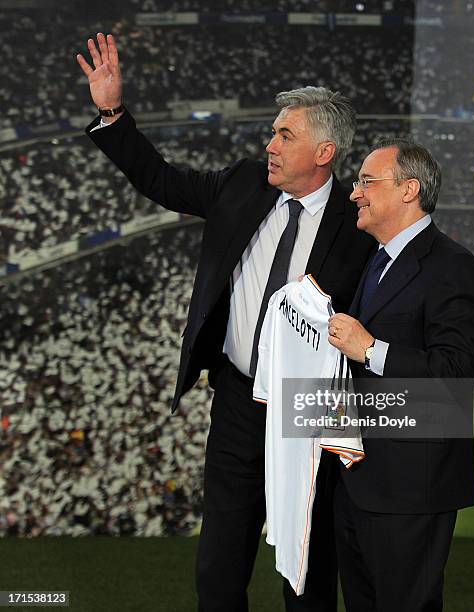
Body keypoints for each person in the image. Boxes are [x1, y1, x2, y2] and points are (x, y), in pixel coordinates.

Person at [77, 33, 375, 612]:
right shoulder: (241, 184)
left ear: (324, 151)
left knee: (306, 575)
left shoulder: (355, 223)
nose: (270, 144)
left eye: (285, 135)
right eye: (272, 132)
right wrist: (112, 112)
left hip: (308, 413)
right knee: (217, 570)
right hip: (237, 403)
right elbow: (161, 180)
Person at [327, 139, 474, 611]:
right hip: (358, 478)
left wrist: (372, 349)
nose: (355, 192)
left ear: (408, 190)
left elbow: (456, 374)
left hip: (412, 487)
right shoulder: (376, 260)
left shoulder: (453, 267)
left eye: (366, 181)